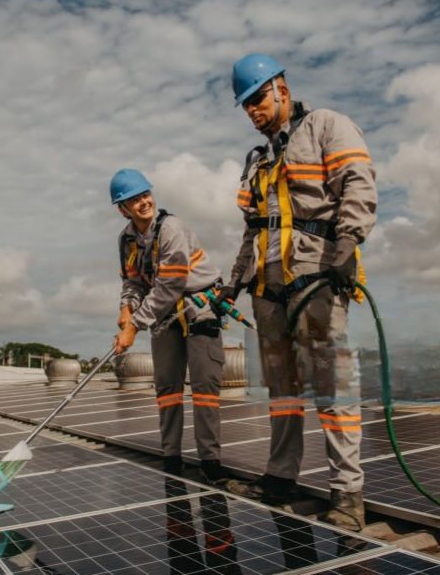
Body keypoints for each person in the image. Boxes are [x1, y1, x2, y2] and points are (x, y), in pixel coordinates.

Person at [214, 54, 377, 531]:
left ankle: (348, 493)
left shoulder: (327, 126)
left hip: (316, 277)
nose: (253, 110)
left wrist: (347, 243)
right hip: (268, 291)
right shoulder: (258, 160)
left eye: (258, 98)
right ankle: (281, 478)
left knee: (333, 387)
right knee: (282, 393)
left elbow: (358, 185)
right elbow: (253, 230)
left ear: (281, 88)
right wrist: (233, 283)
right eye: (245, 105)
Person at [110, 168, 230, 485]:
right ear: (122, 209)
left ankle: (210, 461)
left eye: (144, 195)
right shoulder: (126, 240)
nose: (142, 202)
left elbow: (171, 285)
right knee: (167, 389)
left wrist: (134, 325)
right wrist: (126, 307)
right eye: (133, 200)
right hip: (162, 315)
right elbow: (133, 282)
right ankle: (172, 457)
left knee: (204, 387)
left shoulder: (172, 228)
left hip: (198, 306)